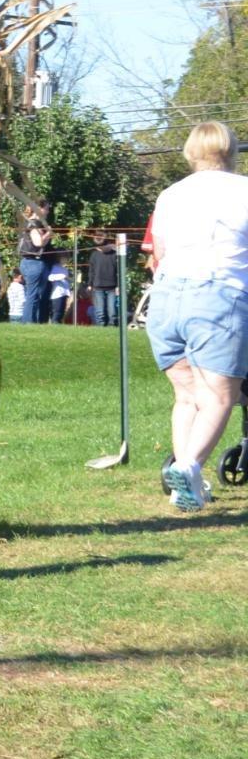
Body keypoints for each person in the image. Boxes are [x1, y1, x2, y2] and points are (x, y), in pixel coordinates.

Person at [146, 122, 248, 512]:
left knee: (187, 395)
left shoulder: (170, 194)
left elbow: (159, 251)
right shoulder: (243, 190)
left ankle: (183, 485)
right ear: (230, 150)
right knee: (221, 397)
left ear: (190, 152)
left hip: (168, 296)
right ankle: (189, 467)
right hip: (219, 294)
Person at [17, 202, 52, 323]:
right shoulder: (34, 224)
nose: (48, 212)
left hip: (29, 262)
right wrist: (48, 234)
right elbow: (38, 243)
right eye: (46, 209)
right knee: (32, 295)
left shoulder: (27, 223)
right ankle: (28, 322)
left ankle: (32, 322)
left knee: (34, 294)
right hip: (33, 263)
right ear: (39, 209)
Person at [89, 234, 123, 327]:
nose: (99, 249)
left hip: (112, 287)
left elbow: (118, 271)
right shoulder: (94, 255)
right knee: (100, 311)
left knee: (112, 311)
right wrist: (90, 284)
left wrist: (118, 286)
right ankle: (101, 327)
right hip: (98, 287)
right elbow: (91, 271)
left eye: (101, 247)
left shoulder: (114, 255)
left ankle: (112, 326)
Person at [48, 253, 74, 325]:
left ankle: (58, 324)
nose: (67, 260)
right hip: (57, 294)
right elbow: (50, 277)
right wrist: (61, 276)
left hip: (64, 293)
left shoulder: (64, 269)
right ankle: (54, 325)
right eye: (65, 258)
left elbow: (67, 279)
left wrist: (70, 279)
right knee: (57, 312)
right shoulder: (54, 268)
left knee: (61, 312)